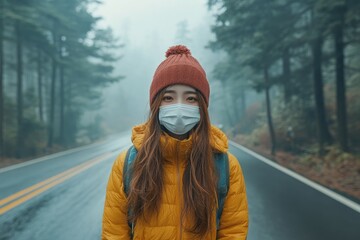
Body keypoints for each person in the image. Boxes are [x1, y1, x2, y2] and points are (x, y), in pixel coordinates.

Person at [102, 45, 248, 239]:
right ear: (156, 105)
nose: (179, 107)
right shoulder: (128, 163)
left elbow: (233, 232)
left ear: (203, 106)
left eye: (191, 98)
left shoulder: (226, 166)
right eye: (169, 98)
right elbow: (114, 233)